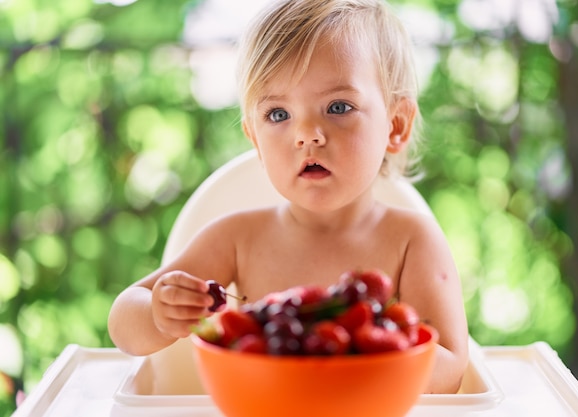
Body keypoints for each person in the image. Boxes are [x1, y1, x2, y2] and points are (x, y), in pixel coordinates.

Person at [108, 0, 468, 394]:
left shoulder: (413, 241)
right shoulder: (235, 239)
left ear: (395, 126)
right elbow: (124, 320)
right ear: (256, 141)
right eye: (278, 115)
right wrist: (159, 316)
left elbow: (449, 365)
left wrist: (355, 357)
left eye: (338, 107)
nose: (307, 134)